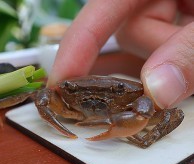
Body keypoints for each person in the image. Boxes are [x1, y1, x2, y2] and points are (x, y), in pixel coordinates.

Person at [47, 0, 194, 109]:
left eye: (118, 91)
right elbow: (44, 97)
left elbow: (171, 114)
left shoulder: (139, 101)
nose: (95, 101)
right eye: (71, 88)